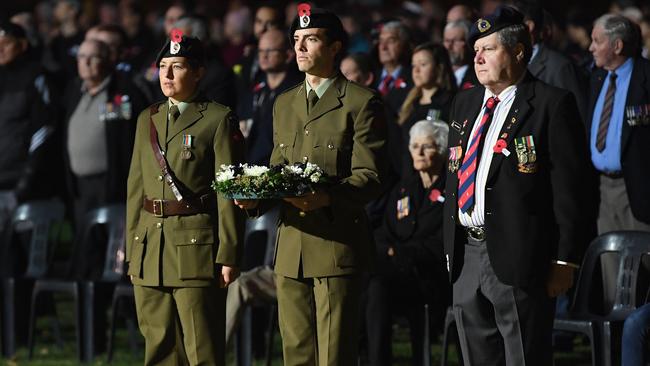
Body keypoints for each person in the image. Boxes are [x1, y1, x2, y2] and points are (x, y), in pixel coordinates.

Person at [236, 4, 387, 365]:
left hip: (336, 246)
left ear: (335, 48)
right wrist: (255, 198)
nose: (300, 48)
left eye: (311, 40)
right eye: (296, 40)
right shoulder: (284, 103)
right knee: (296, 354)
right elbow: (279, 168)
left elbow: (371, 176)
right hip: (290, 248)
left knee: (334, 354)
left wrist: (326, 198)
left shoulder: (360, 102)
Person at [443, 6, 590, 365]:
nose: (476, 57)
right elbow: (455, 173)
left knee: (523, 355)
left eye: (488, 49)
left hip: (521, 255)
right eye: (475, 49)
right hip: (466, 254)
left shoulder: (551, 104)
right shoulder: (463, 103)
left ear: (519, 51)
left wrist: (564, 260)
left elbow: (572, 191)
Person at [125, 30, 246, 365]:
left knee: (201, 347)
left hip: (195, 246)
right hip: (150, 247)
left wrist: (229, 253)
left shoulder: (217, 119)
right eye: (162, 66)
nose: (166, 75)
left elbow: (228, 190)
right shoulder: (146, 119)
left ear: (198, 72)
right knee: (158, 345)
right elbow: (136, 190)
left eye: (176, 66)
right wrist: (133, 249)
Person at [365, 120, 450, 366]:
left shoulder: (452, 189)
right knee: (374, 285)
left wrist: (400, 252)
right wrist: (389, 250)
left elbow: (441, 242)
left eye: (427, 146)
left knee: (376, 284)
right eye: (414, 146)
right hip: (395, 276)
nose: (419, 152)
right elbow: (384, 231)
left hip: (430, 278)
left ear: (442, 149)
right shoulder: (404, 188)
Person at [587, 13, 650, 310]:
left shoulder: (646, 78)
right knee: (612, 270)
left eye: (597, 41)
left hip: (637, 189)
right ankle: (615, 346)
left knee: (642, 267)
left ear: (617, 45)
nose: (590, 47)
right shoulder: (596, 77)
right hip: (602, 190)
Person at [512, 1, 588, 121]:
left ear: (529, 26)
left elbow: (578, 115)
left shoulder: (559, 66)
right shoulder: (512, 62)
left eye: (510, 24)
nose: (504, 31)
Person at [245, 28, 301, 165]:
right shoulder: (257, 86)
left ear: (288, 55)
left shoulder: (297, 89)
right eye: (261, 51)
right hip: (253, 164)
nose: (263, 56)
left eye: (270, 51)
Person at [375, 20, 413, 117]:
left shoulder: (414, 78)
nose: (383, 47)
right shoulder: (370, 77)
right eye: (381, 41)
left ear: (404, 44)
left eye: (390, 41)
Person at [443, 20, 479, 90]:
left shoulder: (478, 76)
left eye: (455, 41)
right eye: (447, 41)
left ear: (468, 43)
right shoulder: (438, 75)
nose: (449, 46)